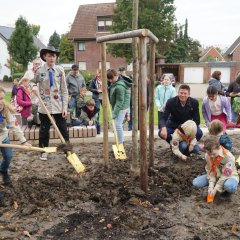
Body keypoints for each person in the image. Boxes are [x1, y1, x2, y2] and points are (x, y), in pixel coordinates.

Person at [32, 46, 69, 161]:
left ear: (56, 57)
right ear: (44, 57)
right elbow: (31, 82)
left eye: (54, 56)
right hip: (45, 106)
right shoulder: (39, 71)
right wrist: (33, 86)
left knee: (63, 129)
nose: (52, 58)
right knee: (44, 130)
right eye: (49, 56)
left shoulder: (60, 70)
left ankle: (67, 150)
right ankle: (44, 151)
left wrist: (65, 107)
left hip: (58, 106)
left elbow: (64, 90)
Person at [0, 87, 31, 184]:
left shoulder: (6, 109)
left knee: (8, 156)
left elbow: (15, 126)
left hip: (3, 136)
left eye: (1, 98)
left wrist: (24, 141)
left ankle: (3, 171)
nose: (1, 101)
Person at [107, 69, 132, 144]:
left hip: (121, 107)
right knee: (119, 124)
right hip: (122, 106)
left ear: (116, 75)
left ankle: (120, 143)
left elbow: (120, 101)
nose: (110, 80)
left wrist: (114, 113)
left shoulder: (120, 87)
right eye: (109, 79)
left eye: (112, 78)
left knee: (118, 125)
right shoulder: (116, 82)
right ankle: (119, 140)